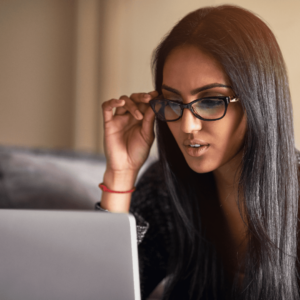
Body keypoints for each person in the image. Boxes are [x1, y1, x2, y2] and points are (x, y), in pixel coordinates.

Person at [98, 5, 300, 300]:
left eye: (210, 100)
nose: (187, 125)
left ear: (257, 100)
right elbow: (101, 291)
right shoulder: (164, 191)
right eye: (173, 101)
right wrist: (120, 173)